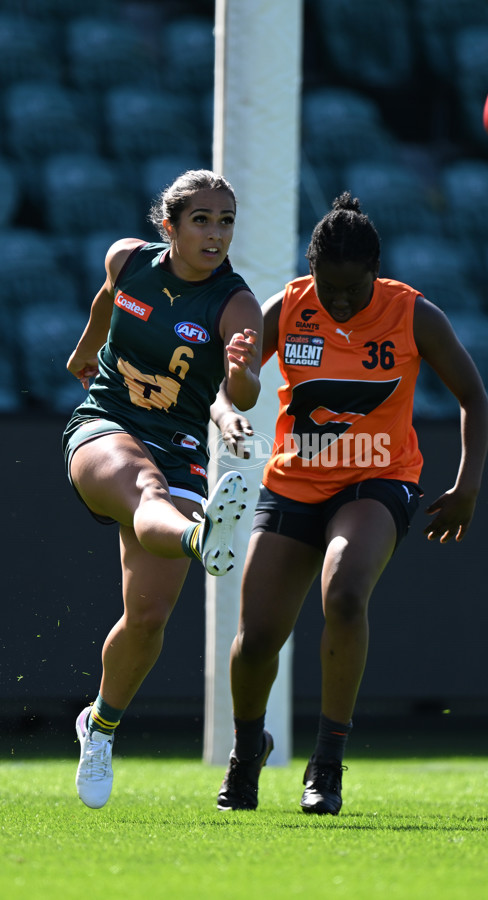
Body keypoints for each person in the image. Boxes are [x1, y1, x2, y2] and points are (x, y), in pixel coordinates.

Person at [213, 192, 488, 815]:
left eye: (351, 289)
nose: (337, 300)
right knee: (256, 639)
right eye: (326, 286)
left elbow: (473, 397)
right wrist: (230, 410)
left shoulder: (414, 314)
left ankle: (327, 764)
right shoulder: (288, 305)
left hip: (379, 481)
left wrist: (468, 485)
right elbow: (231, 386)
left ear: (376, 271)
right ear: (310, 269)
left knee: (343, 593)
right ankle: (245, 751)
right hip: (291, 484)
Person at [62, 169, 263, 809]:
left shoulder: (236, 304)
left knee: (147, 620)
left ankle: (99, 726)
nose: (215, 233)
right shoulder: (129, 261)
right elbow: (106, 302)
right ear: (169, 226)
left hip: (181, 449)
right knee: (146, 486)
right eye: (202, 219)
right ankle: (202, 537)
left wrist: (238, 384)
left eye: (226, 220)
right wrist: (87, 349)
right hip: (106, 426)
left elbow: (244, 393)